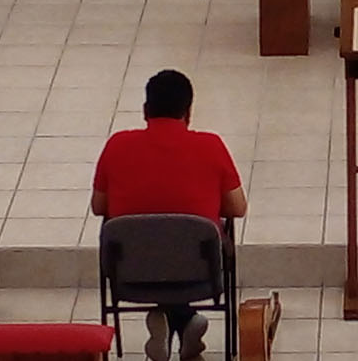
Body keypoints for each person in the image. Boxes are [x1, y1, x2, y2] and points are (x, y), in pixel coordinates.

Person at [92, 70, 247, 361]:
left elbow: (99, 207)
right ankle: (185, 321)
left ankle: (179, 320)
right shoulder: (210, 146)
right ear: (188, 112)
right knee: (188, 242)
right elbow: (237, 208)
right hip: (199, 274)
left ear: (145, 110)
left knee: (155, 245)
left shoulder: (117, 145)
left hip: (131, 275)